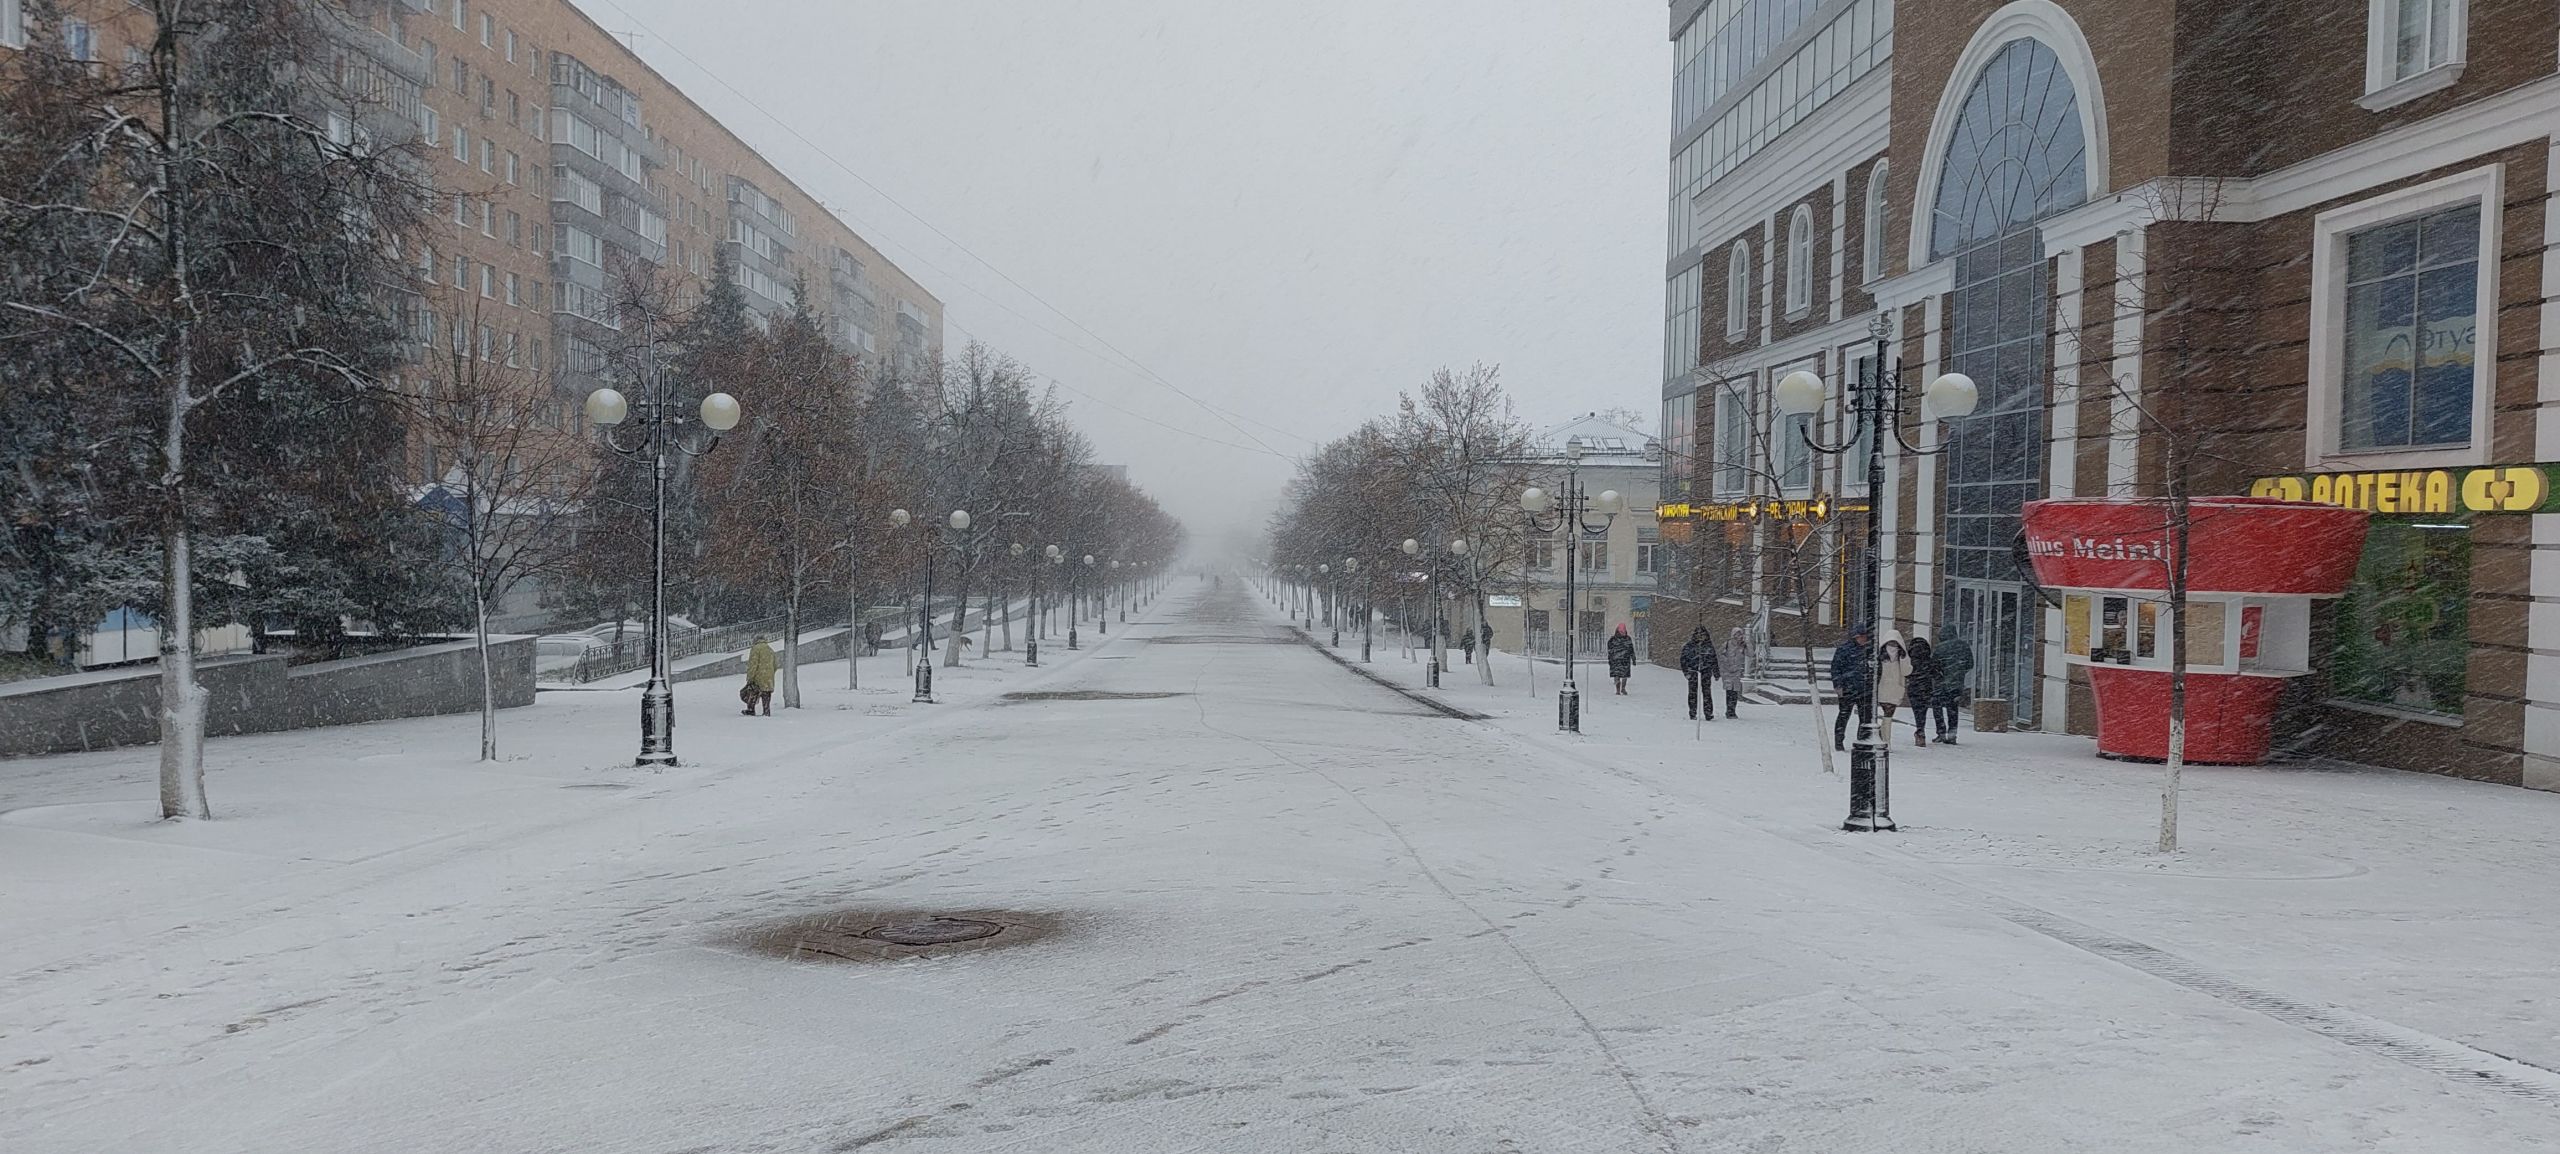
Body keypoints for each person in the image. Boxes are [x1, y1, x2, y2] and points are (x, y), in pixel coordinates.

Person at [1828, 624, 1872, 751]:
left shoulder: (1868, 650)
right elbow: (1836, 668)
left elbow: (1874, 668)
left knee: (1865, 717)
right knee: (1844, 715)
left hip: (1864, 689)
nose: (1864, 639)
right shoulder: (1845, 649)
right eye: (1862, 637)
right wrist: (1838, 685)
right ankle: (1839, 741)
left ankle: (1862, 740)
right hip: (1849, 688)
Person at [1932, 633, 1973, 745]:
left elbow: (1933, 665)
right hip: (1957, 684)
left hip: (1941, 684)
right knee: (1953, 709)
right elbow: (1970, 664)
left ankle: (1941, 733)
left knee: (1937, 707)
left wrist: (1941, 675)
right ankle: (1952, 735)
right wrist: (1959, 673)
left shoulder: (1940, 647)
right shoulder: (1964, 646)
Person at [1679, 625, 1721, 721]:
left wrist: (1716, 672)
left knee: (1707, 693)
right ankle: (1692, 712)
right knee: (1692, 693)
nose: (1700, 637)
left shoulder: (1709, 646)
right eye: (1698, 635)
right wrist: (1686, 672)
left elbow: (1714, 659)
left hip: (1706, 672)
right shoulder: (1689, 646)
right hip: (1693, 672)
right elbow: (1683, 659)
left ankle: (1708, 713)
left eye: (1702, 635)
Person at [1874, 631, 1911, 739]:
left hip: (1895, 689)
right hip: (1883, 688)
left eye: (1895, 644)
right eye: (1890, 643)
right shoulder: (1880, 656)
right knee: (1888, 714)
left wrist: (1904, 659)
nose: (1892, 647)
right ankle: (1886, 739)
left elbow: (1906, 672)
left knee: (1888, 714)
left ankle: (1884, 735)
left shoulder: (1902, 656)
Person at [1906, 636, 1940, 748]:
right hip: (1926, 687)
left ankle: (1920, 731)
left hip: (1913, 687)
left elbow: (1906, 673)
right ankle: (1921, 730)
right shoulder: (1928, 660)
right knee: (1922, 711)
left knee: (1917, 710)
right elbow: (1937, 674)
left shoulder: (1910, 660)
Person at [742, 637, 778, 716]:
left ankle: (750, 710)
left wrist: (750, 677)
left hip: (758, 676)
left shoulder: (755, 649)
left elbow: (753, 665)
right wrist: (770, 673)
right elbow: (775, 665)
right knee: (766, 694)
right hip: (768, 677)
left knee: (752, 691)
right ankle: (766, 711)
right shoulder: (770, 649)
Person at [1606, 623, 1637, 695]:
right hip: (1623, 659)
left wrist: (1611, 658)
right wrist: (1633, 658)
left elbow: (1610, 650)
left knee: (1619, 675)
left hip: (1617, 659)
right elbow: (1631, 649)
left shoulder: (1613, 639)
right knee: (1623, 675)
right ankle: (1621, 689)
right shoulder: (1627, 639)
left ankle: (1619, 689)